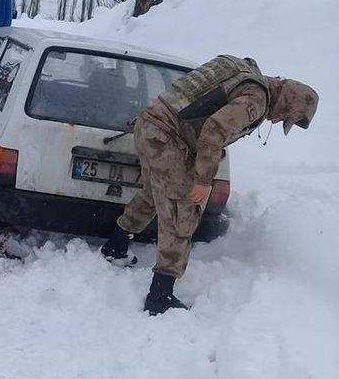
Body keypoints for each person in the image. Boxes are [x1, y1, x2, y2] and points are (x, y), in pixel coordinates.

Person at [100, 55, 319, 316]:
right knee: (183, 211)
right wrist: (204, 180)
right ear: (286, 102)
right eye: (284, 117)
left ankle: (116, 245)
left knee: (152, 194)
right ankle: (160, 295)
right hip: (166, 137)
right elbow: (213, 131)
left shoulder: (247, 74)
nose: (276, 122)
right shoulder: (256, 101)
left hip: (150, 125)